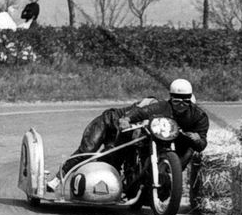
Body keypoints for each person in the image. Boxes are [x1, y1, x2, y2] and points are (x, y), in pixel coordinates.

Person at [49, 79, 208, 191]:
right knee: (88, 150)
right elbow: (139, 113)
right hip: (111, 121)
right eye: (177, 101)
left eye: (185, 101)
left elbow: (201, 144)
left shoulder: (199, 116)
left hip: (128, 131)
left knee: (117, 157)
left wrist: (196, 139)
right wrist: (126, 119)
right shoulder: (157, 106)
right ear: (170, 98)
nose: (181, 105)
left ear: (191, 102)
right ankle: (57, 179)